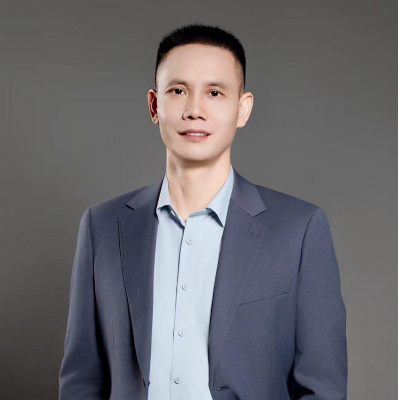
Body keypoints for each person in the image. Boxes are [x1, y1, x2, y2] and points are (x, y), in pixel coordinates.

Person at [58, 23, 348, 400]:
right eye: (178, 91)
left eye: (214, 92)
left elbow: (323, 388)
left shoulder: (299, 230)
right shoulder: (102, 226)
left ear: (242, 109)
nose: (195, 110)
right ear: (154, 105)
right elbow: (81, 381)